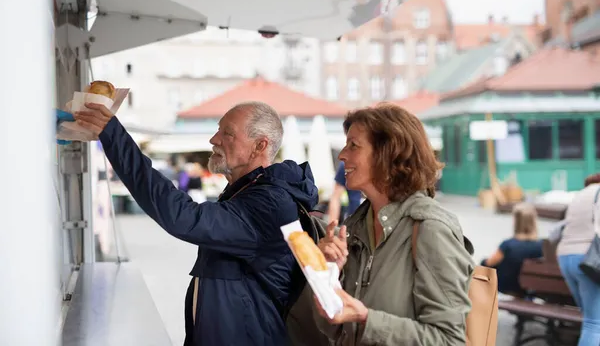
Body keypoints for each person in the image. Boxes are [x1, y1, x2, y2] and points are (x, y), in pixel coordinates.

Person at [73, 101, 319, 346]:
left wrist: (115, 138)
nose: (214, 139)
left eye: (227, 133)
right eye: (218, 130)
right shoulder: (247, 192)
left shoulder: (269, 204)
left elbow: (182, 216)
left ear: (260, 146)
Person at [312, 104, 473, 345]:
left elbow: (449, 340)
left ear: (388, 153)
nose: (342, 155)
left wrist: (367, 319)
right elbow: (336, 330)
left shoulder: (430, 227)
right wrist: (329, 275)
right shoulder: (355, 227)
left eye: (353, 145)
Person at [556, 174, 600, 346]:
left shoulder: (579, 195)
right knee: (594, 323)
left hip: (566, 256)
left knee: (590, 318)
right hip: (590, 259)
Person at [480, 203, 542, 295]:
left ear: (516, 222)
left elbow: (488, 263)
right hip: (529, 291)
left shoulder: (507, 245)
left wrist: (483, 261)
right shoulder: (541, 246)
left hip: (507, 289)